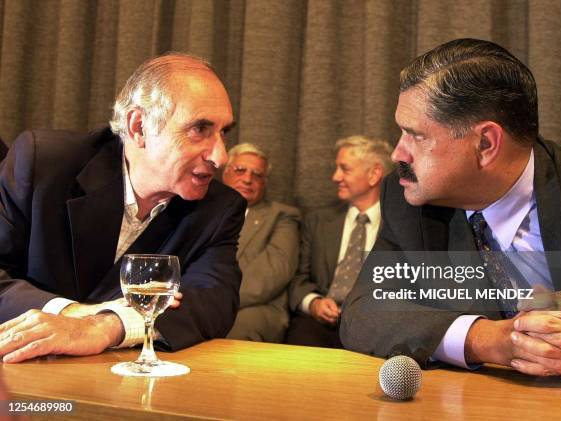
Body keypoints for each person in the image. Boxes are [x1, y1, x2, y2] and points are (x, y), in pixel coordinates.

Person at [340, 38, 561, 380]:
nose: (398, 154)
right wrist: (487, 339)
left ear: (485, 144)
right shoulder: (407, 199)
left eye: (416, 136)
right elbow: (363, 312)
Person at [0, 53, 245, 363]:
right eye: (200, 130)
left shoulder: (220, 208)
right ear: (139, 126)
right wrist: (72, 314)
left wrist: (106, 326)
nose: (221, 157)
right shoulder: (44, 164)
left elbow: (213, 303)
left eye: (224, 133)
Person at [286, 135, 393, 347]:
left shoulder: (401, 225)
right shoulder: (318, 221)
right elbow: (299, 277)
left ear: (374, 174)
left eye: (345, 169)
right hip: (318, 324)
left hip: (377, 325)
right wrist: (313, 303)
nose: (335, 177)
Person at [222, 143, 300, 342]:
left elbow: (271, 275)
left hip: (257, 308)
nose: (248, 179)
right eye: (240, 170)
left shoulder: (282, 216)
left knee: (231, 331)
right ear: (225, 173)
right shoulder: (198, 210)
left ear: (264, 182)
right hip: (199, 301)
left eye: (257, 175)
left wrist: (212, 302)